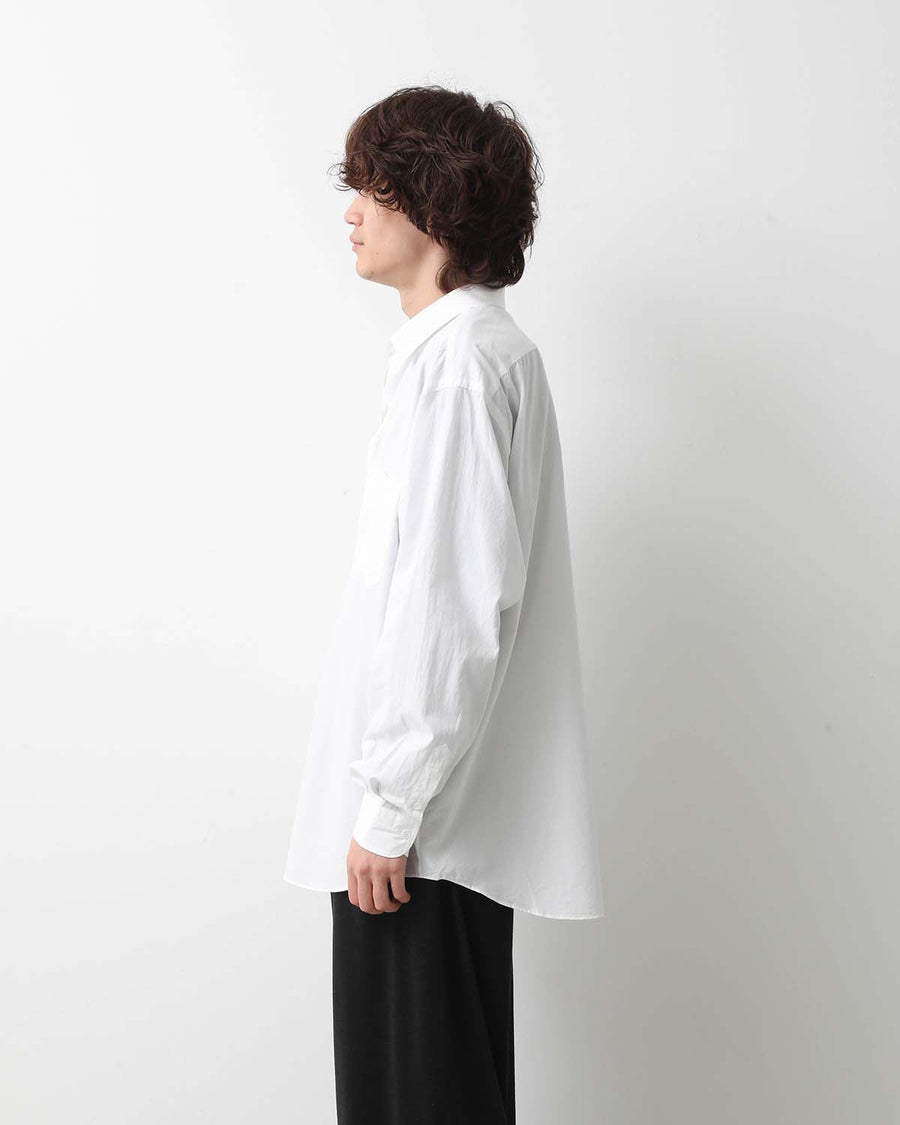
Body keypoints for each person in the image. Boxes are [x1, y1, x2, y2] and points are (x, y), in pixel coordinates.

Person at [283, 84, 605, 1125]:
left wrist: (389, 809)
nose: (351, 212)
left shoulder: (461, 367)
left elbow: (453, 607)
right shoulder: (471, 356)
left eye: (371, 187)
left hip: (418, 838)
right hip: (431, 828)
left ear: (433, 201)